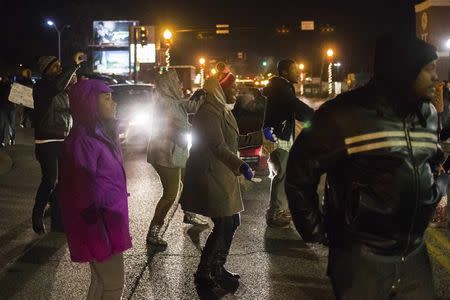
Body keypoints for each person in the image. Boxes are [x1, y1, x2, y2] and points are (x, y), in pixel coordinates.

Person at [285, 35, 446, 299]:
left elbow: (430, 161)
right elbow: (299, 171)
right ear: (404, 70)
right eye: (429, 68)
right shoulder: (343, 115)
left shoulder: (427, 115)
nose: (435, 76)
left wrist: (434, 191)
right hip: (360, 259)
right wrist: (313, 228)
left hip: (415, 255)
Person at [180, 74, 274, 287]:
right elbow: (218, 147)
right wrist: (241, 166)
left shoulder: (223, 110)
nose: (236, 92)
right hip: (210, 174)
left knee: (232, 221)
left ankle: (216, 268)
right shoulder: (208, 113)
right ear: (219, 90)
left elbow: (233, 141)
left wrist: (260, 135)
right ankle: (205, 272)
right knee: (224, 223)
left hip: (221, 174)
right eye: (232, 88)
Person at [60, 80, 131, 300]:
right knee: (113, 285)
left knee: (101, 283)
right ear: (89, 103)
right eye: (107, 98)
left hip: (108, 221)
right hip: (99, 225)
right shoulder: (84, 139)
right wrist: (96, 230)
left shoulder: (99, 133)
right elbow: (82, 190)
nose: (114, 103)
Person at [146, 69, 208, 247]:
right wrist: (206, 129)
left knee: (188, 181)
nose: (180, 85)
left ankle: (189, 213)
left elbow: (186, 106)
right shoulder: (167, 105)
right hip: (166, 156)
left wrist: (199, 98)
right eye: (177, 82)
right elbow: (184, 126)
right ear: (169, 85)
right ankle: (154, 230)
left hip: (174, 153)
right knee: (170, 194)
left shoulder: (170, 101)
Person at [31, 53, 85, 234]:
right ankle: (37, 213)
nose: (60, 68)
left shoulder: (62, 89)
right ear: (46, 70)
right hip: (46, 140)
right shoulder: (42, 86)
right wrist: (73, 66)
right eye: (56, 66)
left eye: (61, 66)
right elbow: (55, 87)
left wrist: (75, 86)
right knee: (50, 179)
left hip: (63, 138)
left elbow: (73, 110)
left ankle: (58, 221)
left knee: (62, 183)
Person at [262, 59, 314, 227]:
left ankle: (280, 210)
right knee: (282, 173)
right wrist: (315, 116)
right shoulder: (281, 87)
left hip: (281, 134)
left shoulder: (282, 86)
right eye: (294, 69)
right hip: (278, 136)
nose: (297, 72)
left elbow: (293, 110)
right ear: (284, 72)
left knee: (284, 173)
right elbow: (294, 105)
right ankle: (275, 213)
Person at [0, 75, 15, 147]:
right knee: (2, 125)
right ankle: (1, 141)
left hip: (11, 108)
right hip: (3, 108)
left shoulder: (12, 86)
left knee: (11, 125)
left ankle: (11, 140)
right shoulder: (1, 86)